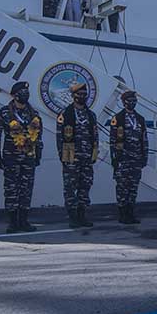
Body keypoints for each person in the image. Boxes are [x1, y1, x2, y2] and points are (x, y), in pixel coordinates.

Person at [0, 82, 43, 233]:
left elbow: (39, 136)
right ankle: (13, 222)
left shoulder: (34, 114)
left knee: (26, 189)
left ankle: (24, 221)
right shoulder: (5, 113)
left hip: (28, 157)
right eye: (22, 92)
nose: (25, 94)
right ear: (14, 95)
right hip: (11, 157)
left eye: (27, 91)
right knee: (11, 189)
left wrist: (38, 153)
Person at [57, 82, 98, 228]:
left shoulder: (91, 115)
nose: (82, 97)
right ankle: (73, 217)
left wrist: (94, 153)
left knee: (85, 186)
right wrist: (64, 157)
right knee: (70, 187)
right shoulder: (65, 114)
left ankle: (82, 215)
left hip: (87, 157)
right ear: (73, 96)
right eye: (79, 94)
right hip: (71, 156)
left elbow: (95, 136)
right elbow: (60, 137)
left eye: (84, 94)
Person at [109, 90, 148, 224]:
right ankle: (122, 214)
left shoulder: (140, 119)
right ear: (124, 102)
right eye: (129, 101)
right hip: (123, 159)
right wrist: (115, 159)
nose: (132, 103)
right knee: (122, 187)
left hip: (136, 159)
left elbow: (144, 139)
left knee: (133, 187)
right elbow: (113, 140)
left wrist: (144, 157)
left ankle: (131, 213)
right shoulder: (118, 118)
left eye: (134, 100)